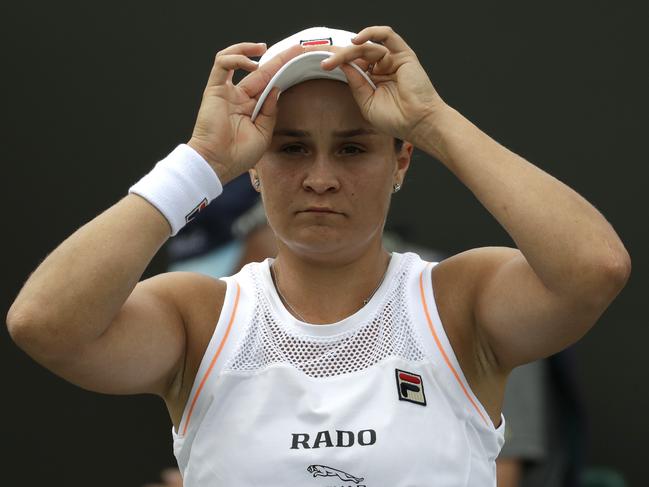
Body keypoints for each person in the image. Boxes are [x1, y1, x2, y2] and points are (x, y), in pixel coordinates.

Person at [6, 25, 630, 486]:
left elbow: (594, 268)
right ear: (253, 168)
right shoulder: (200, 317)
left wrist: (433, 121)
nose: (322, 178)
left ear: (400, 161)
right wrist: (200, 162)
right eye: (292, 149)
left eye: (355, 149)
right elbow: (45, 324)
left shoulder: (455, 302)